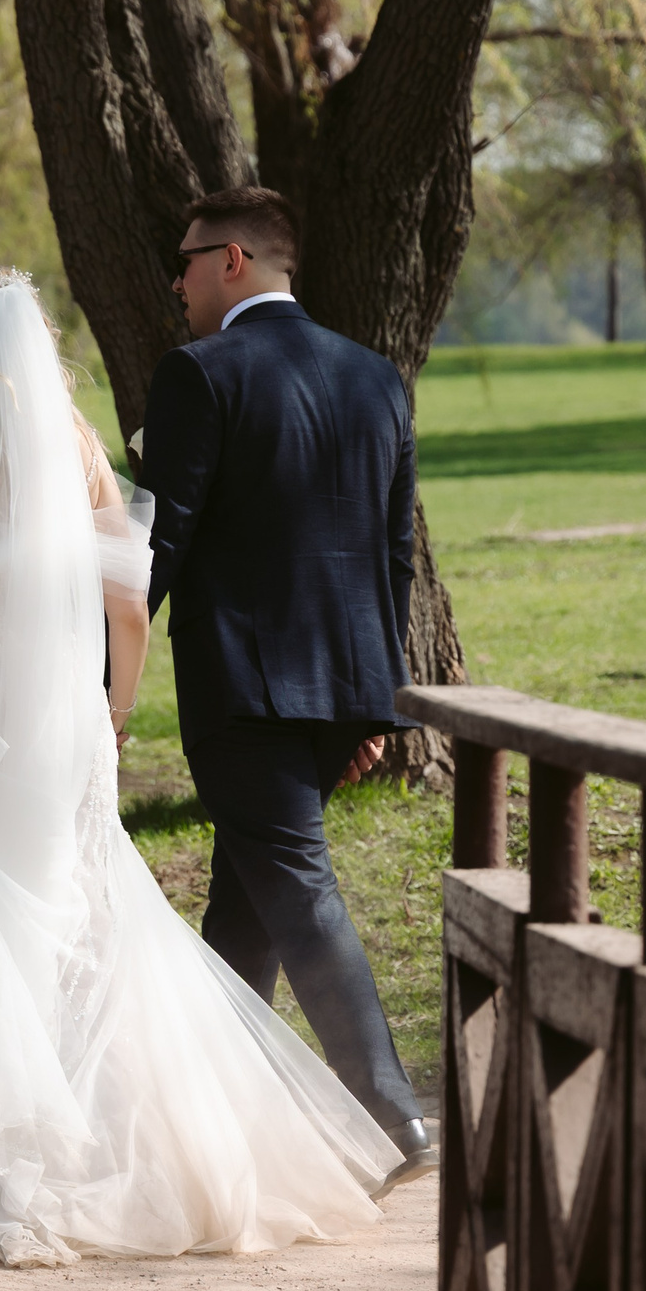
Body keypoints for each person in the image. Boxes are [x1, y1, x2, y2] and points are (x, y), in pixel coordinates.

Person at [0, 264, 408, 1268]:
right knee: (80, 914)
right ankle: (116, 1144)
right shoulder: (82, 448)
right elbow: (127, 605)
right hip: (65, 717)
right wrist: (113, 712)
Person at [141, 186, 438, 1187]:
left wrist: (90, 674)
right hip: (341, 685)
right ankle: (214, 1121)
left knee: (296, 891)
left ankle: (393, 1117)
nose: (175, 283)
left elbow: (162, 543)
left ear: (231, 259)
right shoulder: (374, 376)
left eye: (184, 261)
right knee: (246, 907)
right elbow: (392, 555)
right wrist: (374, 702)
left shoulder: (198, 373)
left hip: (244, 688)